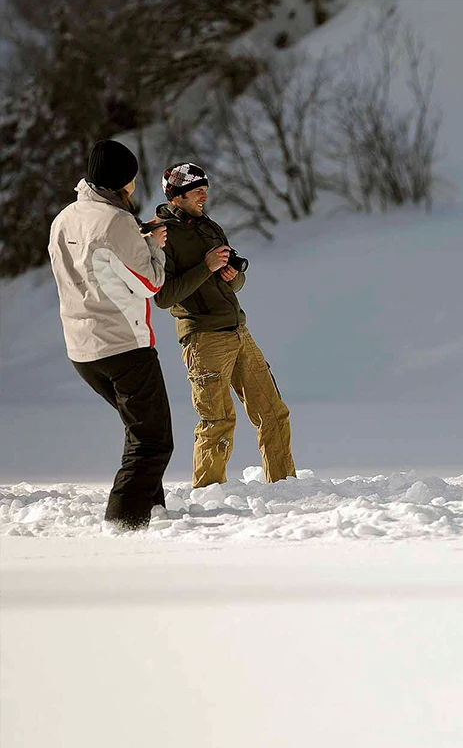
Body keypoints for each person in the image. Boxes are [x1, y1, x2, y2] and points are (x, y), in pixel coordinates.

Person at [47, 139, 173, 531]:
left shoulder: (64, 218)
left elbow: (93, 263)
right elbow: (150, 283)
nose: (134, 186)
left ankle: (154, 512)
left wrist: (135, 237)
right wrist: (154, 246)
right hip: (123, 346)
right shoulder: (117, 222)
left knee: (139, 431)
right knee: (153, 441)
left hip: (82, 350)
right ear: (122, 182)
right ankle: (124, 524)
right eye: (132, 179)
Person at [152, 162, 296, 488]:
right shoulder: (162, 234)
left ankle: (286, 488)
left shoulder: (209, 226)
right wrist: (206, 267)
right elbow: (163, 296)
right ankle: (208, 497)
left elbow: (233, 282)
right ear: (176, 195)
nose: (204, 194)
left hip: (237, 330)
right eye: (196, 189)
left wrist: (233, 276)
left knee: (273, 412)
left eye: (205, 187)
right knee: (217, 421)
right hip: (203, 338)